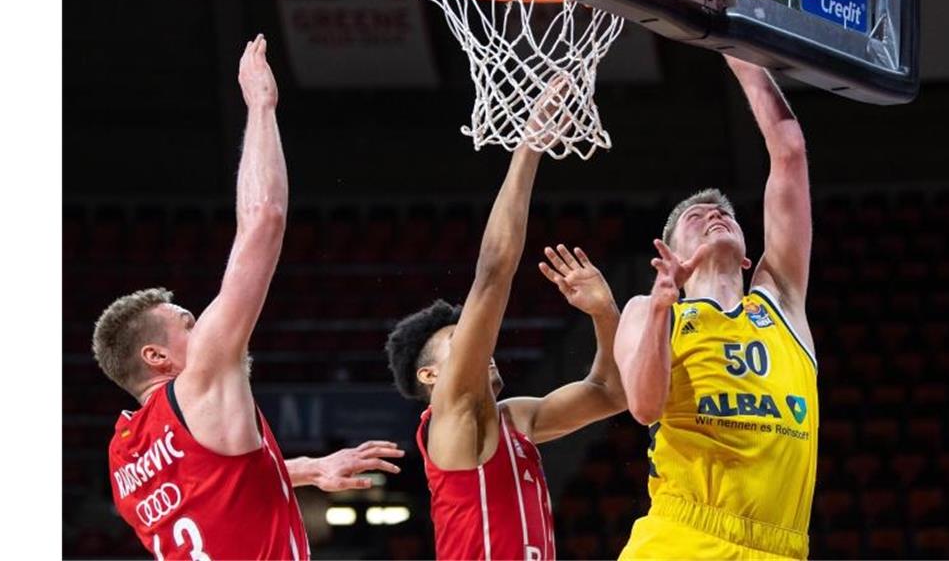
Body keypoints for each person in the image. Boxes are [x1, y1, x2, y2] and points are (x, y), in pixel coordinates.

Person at [93, 35, 403, 560]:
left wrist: (308, 470)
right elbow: (263, 222)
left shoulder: (125, 454)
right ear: (157, 356)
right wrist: (262, 107)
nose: (206, 326)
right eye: (189, 324)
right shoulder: (198, 385)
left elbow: (216, 483)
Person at [385, 114, 627, 560]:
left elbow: (611, 393)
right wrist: (529, 147)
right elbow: (494, 271)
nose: (482, 344)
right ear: (431, 374)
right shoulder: (453, 411)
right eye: (459, 340)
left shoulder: (516, 419)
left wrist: (603, 312)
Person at [615, 57, 818, 560]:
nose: (713, 215)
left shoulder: (781, 299)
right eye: (695, 217)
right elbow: (643, 407)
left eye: (723, 213)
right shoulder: (648, 311)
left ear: (748, 254)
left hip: (780, 546)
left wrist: (734, 45)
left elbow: (789, 152)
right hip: (684, 538)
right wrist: (663, 305)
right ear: (674, 256)